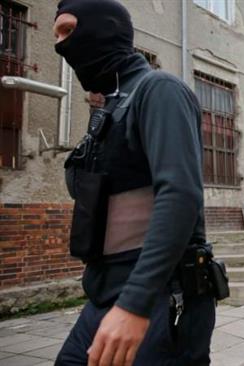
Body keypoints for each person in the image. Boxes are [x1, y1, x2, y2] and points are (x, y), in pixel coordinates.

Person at [53, 1, 215, 365]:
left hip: (157, 296)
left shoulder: (158, 90)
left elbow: (180, 194)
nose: (60, 45)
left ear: (102, 28)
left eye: (67, 30)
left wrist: (135, 302)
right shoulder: (109, 108)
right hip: (105, 294)